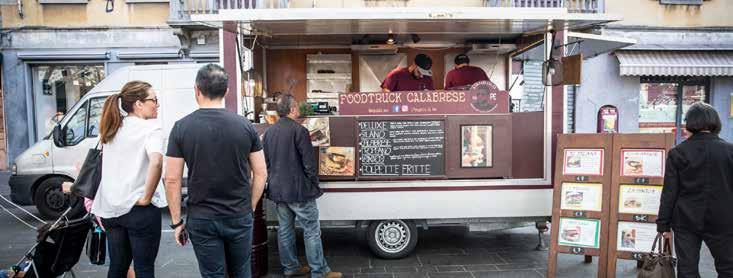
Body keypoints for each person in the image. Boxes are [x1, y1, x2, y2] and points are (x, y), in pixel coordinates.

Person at [164, 64, 267, 278]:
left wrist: (176, 222)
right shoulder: (245, 126)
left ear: (197, 90)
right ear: (227, 91)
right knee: (241, 272)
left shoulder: (181, 127)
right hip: (239, 214)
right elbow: (261, 173)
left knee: (213, 275)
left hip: (202, 218)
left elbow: (172, 179)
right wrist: (251, 206)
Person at [262, 94, 342, 278]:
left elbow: (265, 163)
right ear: (291, 110)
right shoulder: (300, 131)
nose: (298, 109)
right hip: (299, 191)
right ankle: (319, 271)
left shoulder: (269, 133)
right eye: (297, 106)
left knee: (285, 230)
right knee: (312, 231)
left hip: (278, 191)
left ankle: (290, 268)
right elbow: (309, 164)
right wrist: (314, 183)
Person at [91, 81, 165, 278]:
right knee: (144, 268)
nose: (157, 104)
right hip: (138, 209)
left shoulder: (111, 127)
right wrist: (147, 197)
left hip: (110, 209)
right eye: (154, 100)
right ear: (138, 104)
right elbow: (156, 161)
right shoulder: (150, 128)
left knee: (118, 266)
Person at [657, 102, 733, 278]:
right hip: (724, 218)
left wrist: (663, 224)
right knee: (728, 267)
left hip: (686, 219)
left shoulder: (678, 152)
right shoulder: (730, 151)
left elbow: (670, 191)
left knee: (687, 269)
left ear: (690, 123)